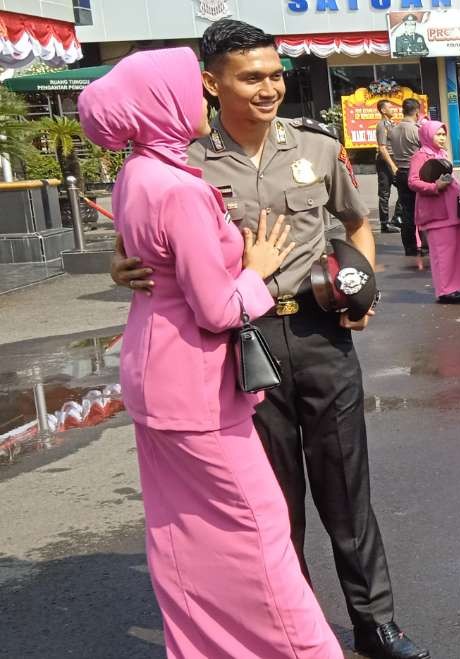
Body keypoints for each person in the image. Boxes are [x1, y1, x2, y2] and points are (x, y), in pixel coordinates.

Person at [110, 21, 428, 659]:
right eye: (250, 77)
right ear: (211, 83)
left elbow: (358, 224)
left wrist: (361, 288)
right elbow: (135, 249)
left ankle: (376, 624)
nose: (268, 89)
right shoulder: (184, 161)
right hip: (239, 345)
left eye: (275, 75)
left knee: (347, 489)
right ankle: (294, 622)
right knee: (272, 502)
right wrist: (122, 269)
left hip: (319, 333)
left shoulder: (314, 145)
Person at [82, 46, 345, 659]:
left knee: (183, 537)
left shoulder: (135, 175)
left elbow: (138, 261)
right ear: (164, 104)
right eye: (189, 91)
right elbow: (220, 309)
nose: (202, 99)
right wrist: (258, 268)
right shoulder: (180, 189)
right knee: (259, 531)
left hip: (155, 374)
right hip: (197, 387)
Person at [408, 120, 460, 304]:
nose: (442, 137)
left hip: (452, 211)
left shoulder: (441, 153)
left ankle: (456, 286)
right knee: (442, 254)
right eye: (438, 134)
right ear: (428, 135)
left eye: (444, 134)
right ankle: (445, 290)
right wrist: (434, 186)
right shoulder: (420, 156)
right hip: (435, 212)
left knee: (457, 251)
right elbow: (413, 182)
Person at [390, 98, 426, 255]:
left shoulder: (394, 130)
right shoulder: (416, 130)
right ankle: (425, 246)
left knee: (407, 211)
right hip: (416, 172)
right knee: (422, 210)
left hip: (401, 172)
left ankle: (409, 247)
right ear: (417, 112)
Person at [375, 100, 402, 234]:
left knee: (404, 189)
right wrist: (392, 166)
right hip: (385, 161)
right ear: (383, 110)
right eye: (390, 108)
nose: (393, 110)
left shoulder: (392, 124)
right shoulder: (382, 125)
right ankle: (385, 224)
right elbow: (382, 148)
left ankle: (396, 219)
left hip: (395, 159)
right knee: (384, 193)